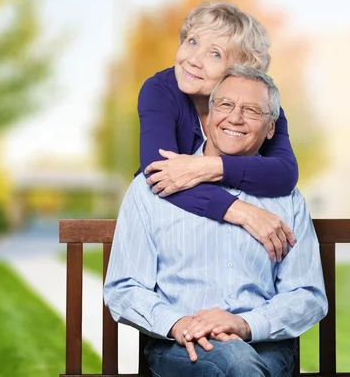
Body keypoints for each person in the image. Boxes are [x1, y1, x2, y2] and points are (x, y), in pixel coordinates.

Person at [104, 66, 327, 377]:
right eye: (225, 105)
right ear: (207, 117)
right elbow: (124, 287)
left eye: (251, 110)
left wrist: (245, 324)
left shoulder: (286, 198)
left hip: (263, 342)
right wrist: (178, 324)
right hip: (179, 344)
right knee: (237, 364)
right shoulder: (152, 186)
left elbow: (307, 294)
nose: (235, 118)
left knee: (242, 363)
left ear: (271, 128)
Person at [137, 1, 298, 262]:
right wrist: (245, 213)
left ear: (239, 72)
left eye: (215, 54)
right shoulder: (160, 91)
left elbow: (285, 173)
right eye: (192, 42)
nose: (193, 60)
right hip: (174, 235)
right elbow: (159, 173)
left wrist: (209, 167)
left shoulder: (258, 105)